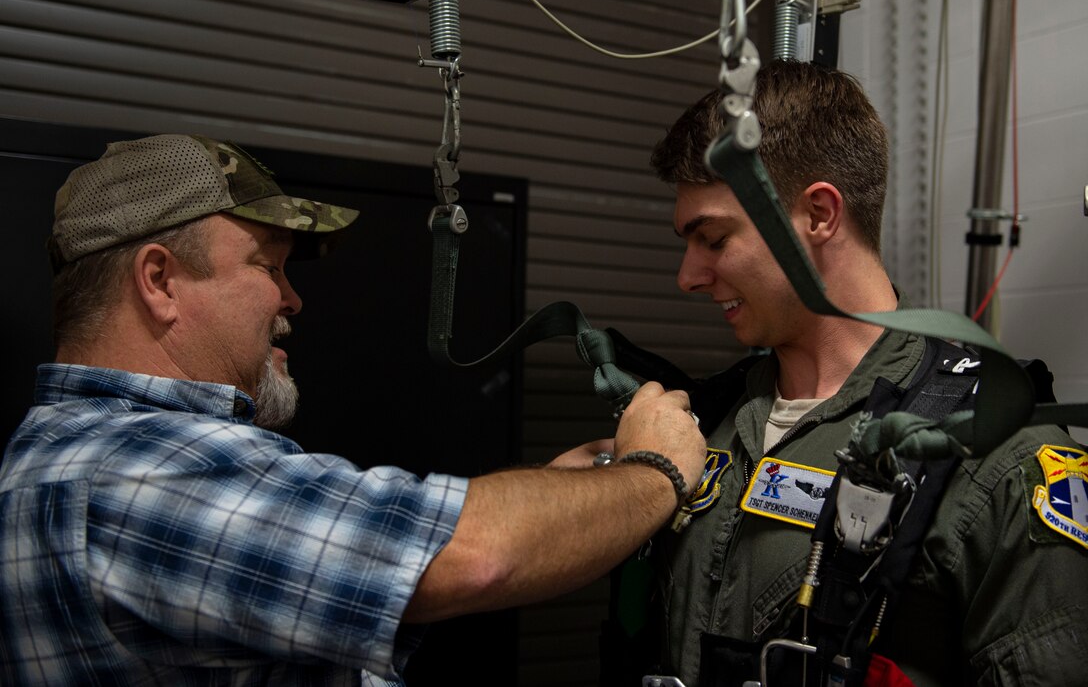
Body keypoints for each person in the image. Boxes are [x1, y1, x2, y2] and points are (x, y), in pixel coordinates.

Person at [0, 133, 707, 686]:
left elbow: (348, 589)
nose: (292, 298)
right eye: (266, 265)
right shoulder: (141, 475)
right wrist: (653, 471)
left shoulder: (63, 455)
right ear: (159, 279)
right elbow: (474, 555)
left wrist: (568, 496)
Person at [624, 60, 1087, 686]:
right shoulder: (704, 422)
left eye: (713, 238)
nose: (688, 276)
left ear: (818, 215)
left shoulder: (1002, 456)